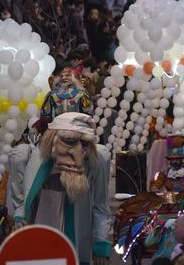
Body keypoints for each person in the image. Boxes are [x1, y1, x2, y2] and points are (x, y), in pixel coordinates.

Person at [16, 112, 112, 264]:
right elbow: (26, 196)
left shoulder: (95, 162)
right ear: (52, 140)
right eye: (69, 141)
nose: (78, 151)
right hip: (44, 234)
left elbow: (100, 206)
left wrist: (100, 244)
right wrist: (20, 218)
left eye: (85, 143)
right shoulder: (39, 160)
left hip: (78, 238)